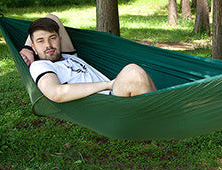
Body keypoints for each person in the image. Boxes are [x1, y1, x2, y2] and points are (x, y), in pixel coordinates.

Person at [17, 14, 157, 103]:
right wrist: (108, 84)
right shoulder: (41, 66)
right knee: (133, 72)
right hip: (107, 101)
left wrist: (27, 48)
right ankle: (161, 116)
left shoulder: (69, 57)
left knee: (137, 72)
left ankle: (161, 113)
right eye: (40, 41)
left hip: (112, 91)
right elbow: (56, 93)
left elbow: (52, 18)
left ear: (59, 39)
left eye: (52, 38)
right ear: (34, 47)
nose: (48, 45)